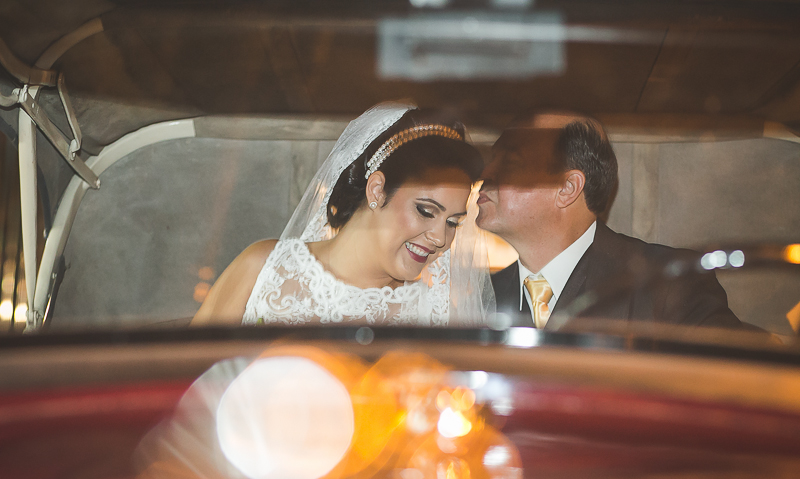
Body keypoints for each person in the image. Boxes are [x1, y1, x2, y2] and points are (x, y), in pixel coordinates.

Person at [193, 102, 494, 327]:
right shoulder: (262, 269)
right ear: (377, 190)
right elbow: (185, 388)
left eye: (453, 222)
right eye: (426, 211)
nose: (440, 238)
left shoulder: (435, 316)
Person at [476, 111, 743, 330]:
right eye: (492, 159)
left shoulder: (671, 283)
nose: (485, 172)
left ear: (568, 188)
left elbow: (734, 379)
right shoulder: (479, 297)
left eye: (510, 162)